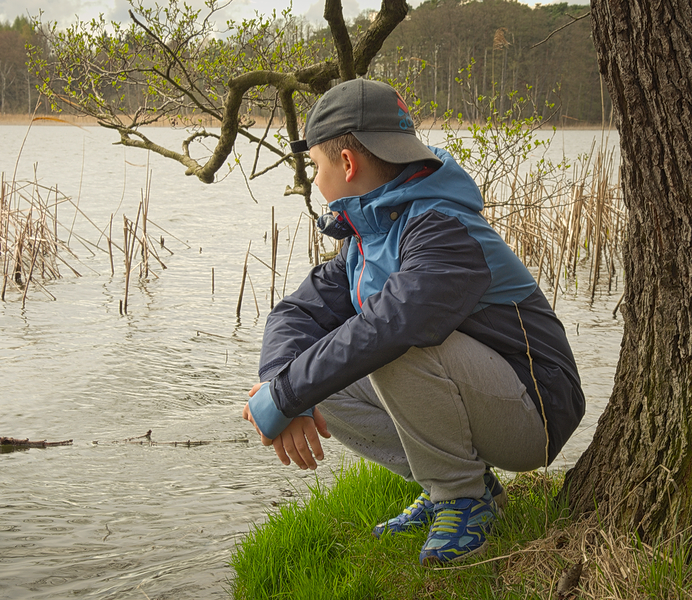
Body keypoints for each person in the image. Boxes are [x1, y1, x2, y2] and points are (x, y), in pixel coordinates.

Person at [242, 78, 585, 566]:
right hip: (488, 394)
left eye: (316, 165)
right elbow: (298, 312)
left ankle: (461, 499)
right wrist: (280, 385)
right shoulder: (368, 233)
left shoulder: (442, 227)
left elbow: (394, 326)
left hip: (538, 410)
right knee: (321, 374)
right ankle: (464, 482)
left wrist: (287, 396)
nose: (315, 180)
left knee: (389, 342)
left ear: (346, 164)